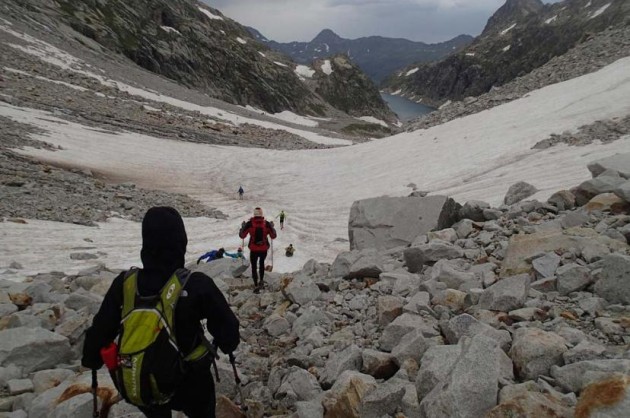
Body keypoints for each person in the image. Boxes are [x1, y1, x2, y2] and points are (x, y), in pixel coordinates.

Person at [82, 207, 239, 418]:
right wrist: (226, 344)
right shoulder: (196, 285)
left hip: (143, 378)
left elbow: (100, 332)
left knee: (155, 407)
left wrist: (91, 359)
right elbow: (229, 333)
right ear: (181, 242)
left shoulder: (125, 284)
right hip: (190, 382)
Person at [239, 207, 276, 293]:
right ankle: (261, 281)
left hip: (253, 249)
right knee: (262, 263)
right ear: (261, 214)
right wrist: (272, 227)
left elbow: (242, 236)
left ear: (254, 214)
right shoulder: (266, 224)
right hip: (263, 249)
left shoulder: (249, 224)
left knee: (254, 266)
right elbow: (273, 236)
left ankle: (256, 284)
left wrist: (242, 227)